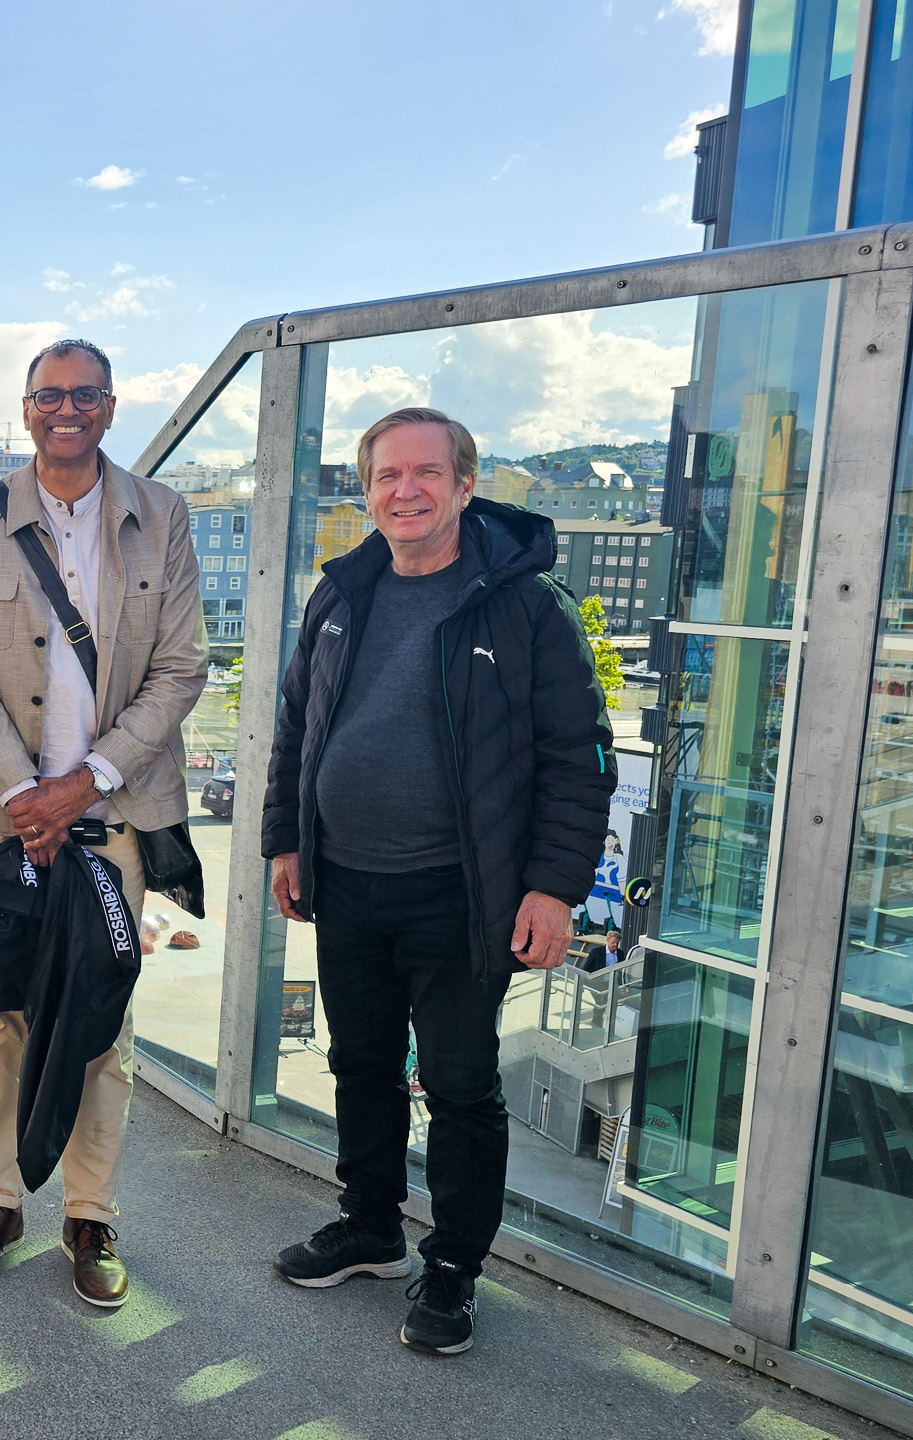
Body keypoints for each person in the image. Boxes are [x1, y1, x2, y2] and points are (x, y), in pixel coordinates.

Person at [261, 406, 614, 1356]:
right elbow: (296, 729)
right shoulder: (341, 594)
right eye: (387, 475)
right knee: (359, 1064)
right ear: (366, 490)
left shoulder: (527, 607)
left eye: (426, 473)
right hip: (349, 882)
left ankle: (453, 1265)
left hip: (463, 896)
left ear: (465, 485)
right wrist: (287, 841)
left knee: (458, 1086)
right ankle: (371, 1225)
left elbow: (579, 758)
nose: (405, 491)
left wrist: (553, 888)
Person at [0, 338, 206, 1308]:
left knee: (101, 1015)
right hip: (2, 814)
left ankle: (89, 1216)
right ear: (25, 408)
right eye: (49, 396)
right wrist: (24, 793)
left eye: (85, 396)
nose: (66, 410)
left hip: (114, 811)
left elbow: (182, 667)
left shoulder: (161, 516)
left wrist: (81, 784)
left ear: (111, 408)